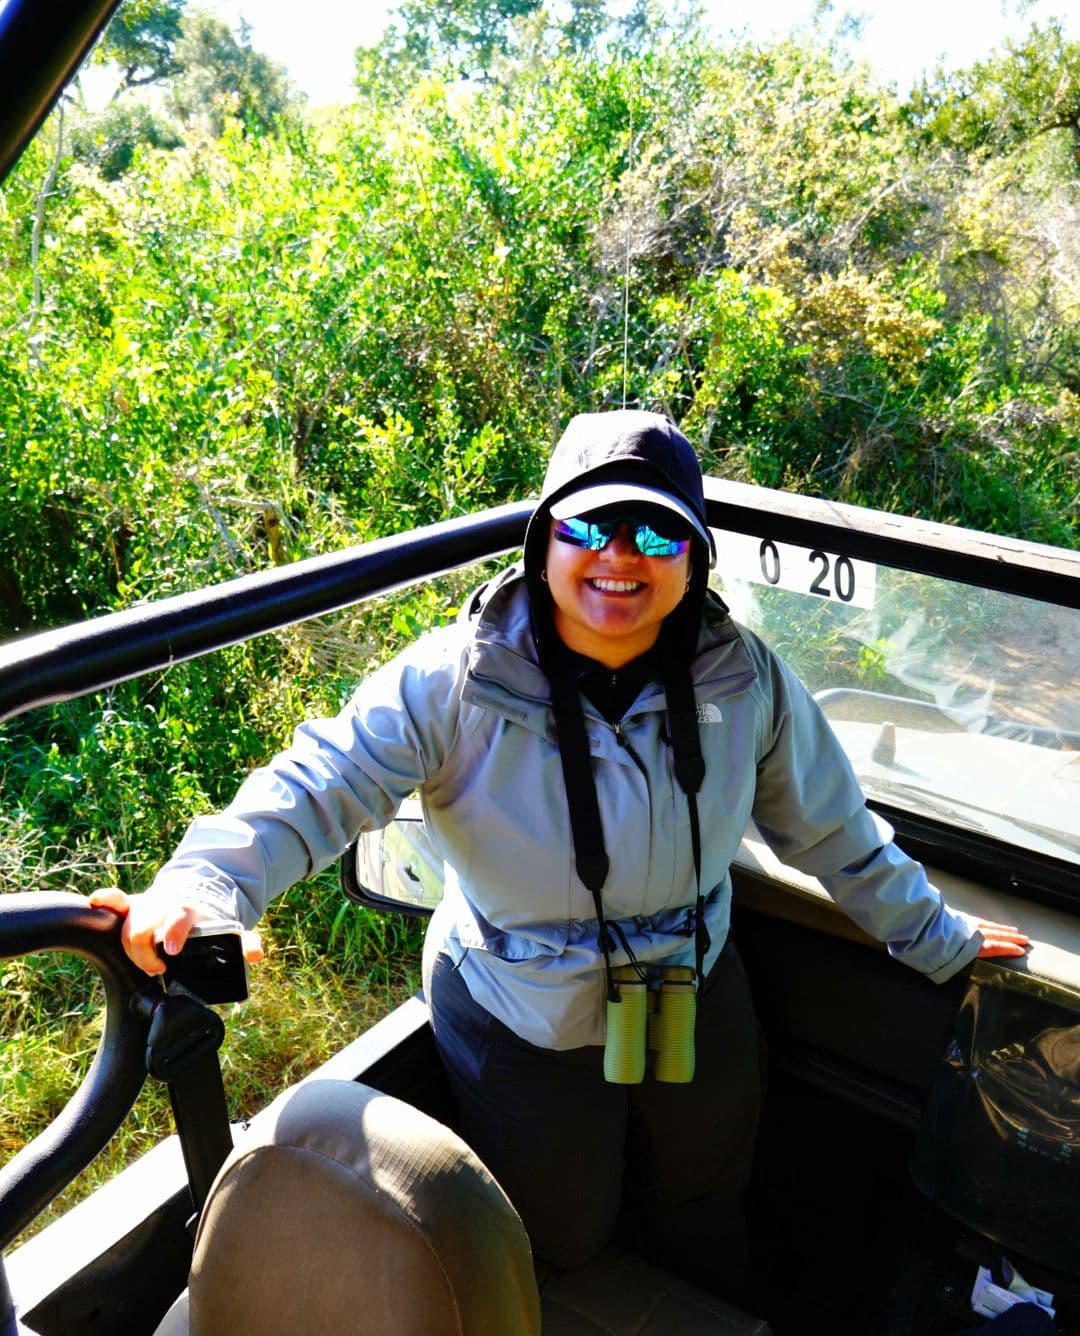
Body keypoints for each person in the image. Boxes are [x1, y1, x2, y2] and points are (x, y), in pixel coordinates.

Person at [91, 410, 1027, 1277]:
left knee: (708, 1202)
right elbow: (315, 784)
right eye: (590, 529)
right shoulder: (456, 683)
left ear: (695, 560)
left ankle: (703, 1330)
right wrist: (204, 888)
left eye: (658, 534)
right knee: (565, 1235)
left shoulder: (743, 681)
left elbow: (837, 834)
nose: (622, 558)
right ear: (543, 544)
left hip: (688, 984)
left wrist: (941, 940)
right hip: (520, 1011)